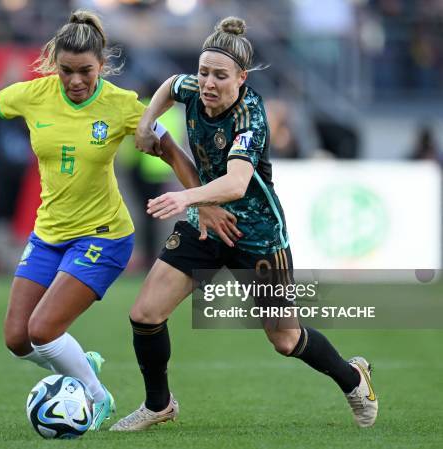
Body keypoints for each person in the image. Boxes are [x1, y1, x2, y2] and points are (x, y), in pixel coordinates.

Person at [0, 10, 237, 430]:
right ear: (54, 64)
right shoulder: (33, 94)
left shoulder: (121, 104)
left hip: (104, 236)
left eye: (86, 72)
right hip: (48, 235)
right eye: (67, 71)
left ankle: (96, 396)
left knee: (43, 329)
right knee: (18, 339)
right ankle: (76, 358)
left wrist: (200, 200)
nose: (76, 81)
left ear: (101, 66)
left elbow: (170, 151)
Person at [111, 17, 378, 431]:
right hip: (207, 222)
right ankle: (158, 404)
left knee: (284, 340)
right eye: (203, 73)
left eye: (220, 75)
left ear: (241, 77)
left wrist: (185, 196)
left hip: (257, 236)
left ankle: (352, 377)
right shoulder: (192, 88)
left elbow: (236, 184)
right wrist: (147, 122)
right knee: (145, 313)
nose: (208, 83)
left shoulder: (250, 116)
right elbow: (169, 85)